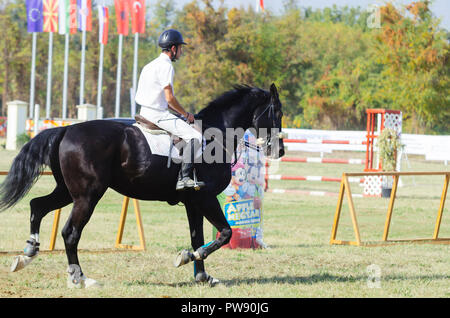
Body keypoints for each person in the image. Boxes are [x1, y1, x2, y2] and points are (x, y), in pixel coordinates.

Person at [135, 29, 204, 191]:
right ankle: (184, 178)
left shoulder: (149, 65)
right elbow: (169, 98)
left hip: (143, 112)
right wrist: (186, 114)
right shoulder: (166, 67)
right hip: (157, 115)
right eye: (180, 48)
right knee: (196, 137)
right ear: (173, 49)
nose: (181, 51)